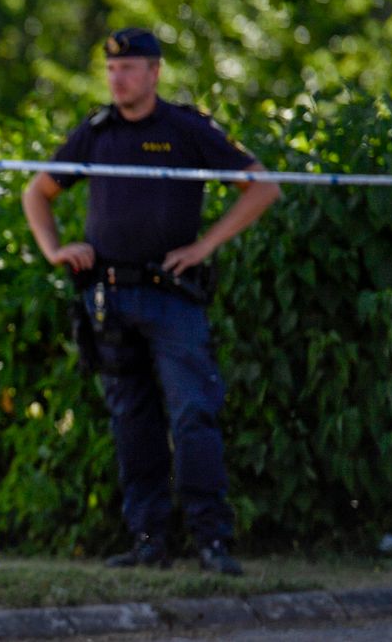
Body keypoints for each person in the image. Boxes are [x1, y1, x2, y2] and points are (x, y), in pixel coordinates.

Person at [22, 28, 280, 577]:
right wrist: (55, 250)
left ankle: (211, 541)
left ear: (154, 72)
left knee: (193, 416)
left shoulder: (186, 129)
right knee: (131, 423)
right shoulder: (96, 132)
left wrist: (205, 245)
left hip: (172, 296)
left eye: (130, 68)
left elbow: (263, 187)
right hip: (110, 297)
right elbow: (36, 192)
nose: (118, 78)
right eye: (112, 68)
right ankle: (148, 542)